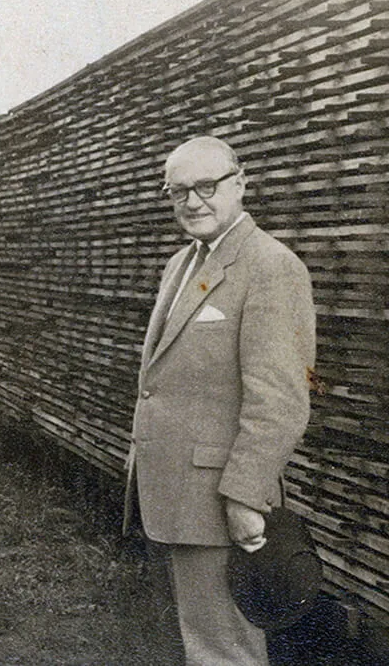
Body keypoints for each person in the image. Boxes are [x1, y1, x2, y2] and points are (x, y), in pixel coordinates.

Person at [123, 136, 316, 664]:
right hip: (175, 493)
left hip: (221, 497)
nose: (193, 201)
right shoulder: (181, 263)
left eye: (206, 186)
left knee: (225, 651)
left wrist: (245, 499)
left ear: (240, 184)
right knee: (200, 642)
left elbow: (278, 401)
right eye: (178, 190)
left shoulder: (270, 266)